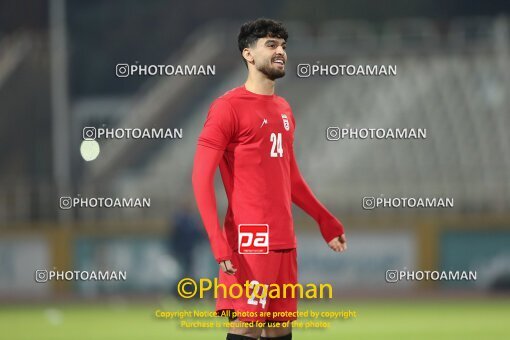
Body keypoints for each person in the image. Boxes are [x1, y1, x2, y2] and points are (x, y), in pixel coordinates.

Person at [192, 18, 347, 340]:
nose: (281, 52)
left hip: (284, 239)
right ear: (248, 54)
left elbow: (291, 178)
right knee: (246, 327)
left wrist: (325, 220)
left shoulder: (284, 109)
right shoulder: (227, 108)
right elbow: (200, 178)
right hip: (249, 239)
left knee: (279, 330)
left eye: (283, 46)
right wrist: (218, 241)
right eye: (271, 45)